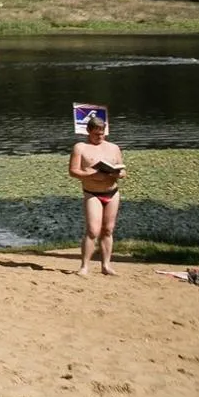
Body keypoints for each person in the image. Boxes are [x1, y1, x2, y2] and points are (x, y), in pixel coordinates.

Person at [67, 114, 126, 276]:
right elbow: (73, 171)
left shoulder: (113, 147)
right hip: (92, 193)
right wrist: (91, 174)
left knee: (108, 229)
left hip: (112, 191)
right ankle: (84, 266)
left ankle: (106, 265)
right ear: (88, 131)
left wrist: (119, 174)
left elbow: (122, 169)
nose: (100, 136)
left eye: (102, 133)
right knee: (93, 230)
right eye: (96, 133)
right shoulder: (80, 147)